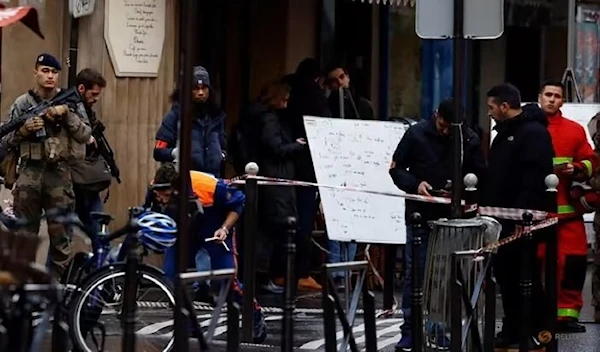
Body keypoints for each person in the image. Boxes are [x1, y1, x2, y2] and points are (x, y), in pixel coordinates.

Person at [389, 98, 485, 351]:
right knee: (416, 275)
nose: (445, 132)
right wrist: (416, 184)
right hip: (421, 215)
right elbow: (396, 169)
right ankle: (410, 331)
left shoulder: (469, 138)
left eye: (451, 128)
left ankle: (440, 327)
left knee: (446, 277)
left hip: (455, 218)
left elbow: (481, 174)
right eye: (443, 126)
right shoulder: (417, 133)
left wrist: (465, 190)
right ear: (436, 116)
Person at [148, 162, 267, 343]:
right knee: (171, 277)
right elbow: (151, 211)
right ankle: (189, 325)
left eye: (165, 196)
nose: (162, 199)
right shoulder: (156, 188)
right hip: (183, 231)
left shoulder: (209, 187)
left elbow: (238, 203)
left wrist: (225, 228)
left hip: (213, 227)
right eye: (159, 195)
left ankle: (254, 313)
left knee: (226, 281)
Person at [0, 53, 92, 277]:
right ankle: (24, 292)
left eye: (54, 72)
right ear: (36, 72)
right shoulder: (23, 103)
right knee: (25, 237)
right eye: (45, 71)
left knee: (61, 238)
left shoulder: (70, 102)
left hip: (59, 175)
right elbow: (5, 140)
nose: (50, 76)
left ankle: (57, 291)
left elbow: (85, 134)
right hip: (29, 174)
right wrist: (24, 130)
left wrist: (66, 114)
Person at [481, 83, 554, 349]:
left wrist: (522, 218)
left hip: (520, 221)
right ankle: (513, 328)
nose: (488, 113)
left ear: (504, 106)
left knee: (526, 277)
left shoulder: (533, 133)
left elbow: (534, 176)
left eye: (491, 107)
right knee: (506, 277)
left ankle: (537, 330)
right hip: (501, 219)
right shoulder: (504, 133)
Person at [537, 81, 598, 333]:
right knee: (535, 264)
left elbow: (591, 160)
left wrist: (580, 168)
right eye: (548, 95)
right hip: (537, 216)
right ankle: (536, 315)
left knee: (572, 265)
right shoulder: (528, 129)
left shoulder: (574, 130)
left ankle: (567, 315)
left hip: (569, 216)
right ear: (539, 98)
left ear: (562, 101)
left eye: (557, 96)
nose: (552, 100)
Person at [153, 66, 227, 177]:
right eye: (196, 88)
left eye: (204, 88)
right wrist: (174, 153)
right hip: (186, 181)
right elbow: (158, 151)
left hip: (212, 180)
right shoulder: (175, 116)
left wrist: (220, 155)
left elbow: (223, 145)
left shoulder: (216, 117)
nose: (201, 93)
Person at [69, 68, 112, 236]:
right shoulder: (70, 109)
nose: (95, 99)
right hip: (71, 180)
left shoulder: (87, 110)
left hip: (86, 180)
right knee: (63, 239)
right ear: (81, 89)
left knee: (99, 232)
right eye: (93, 94)